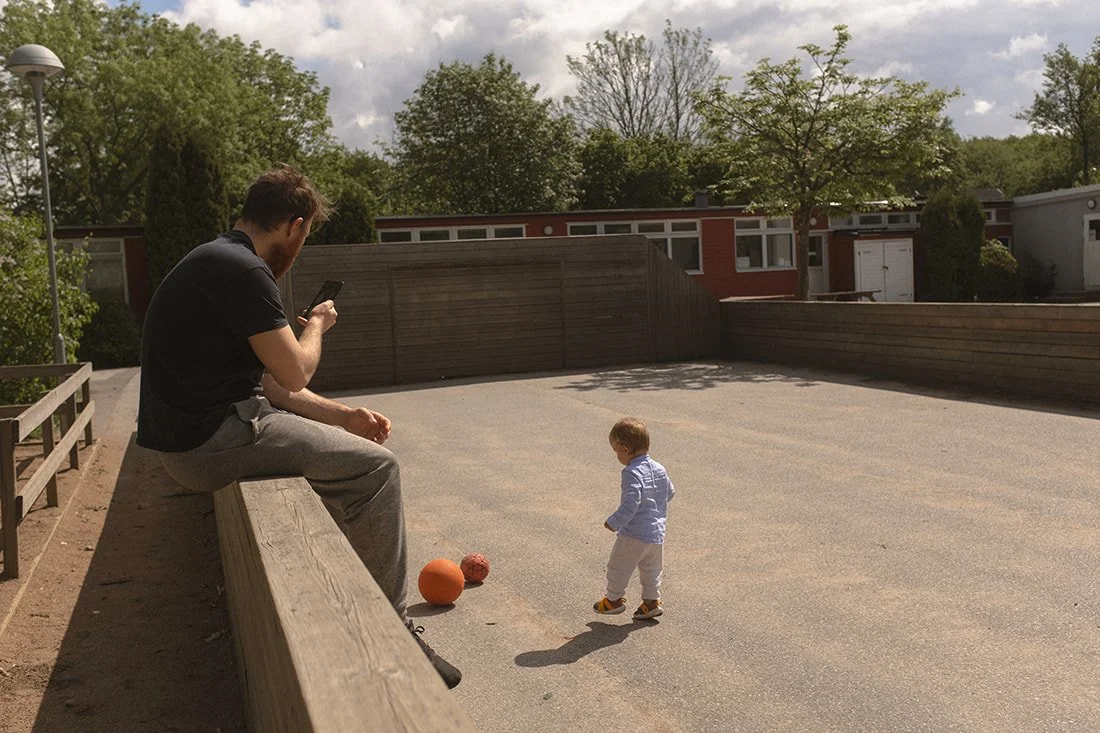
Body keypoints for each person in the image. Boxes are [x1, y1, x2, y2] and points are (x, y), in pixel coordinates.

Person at [136, 164, 460, 688]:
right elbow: (294, 371)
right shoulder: (246, 272)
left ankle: (352, 601)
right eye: (305, 235)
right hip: (209, 441)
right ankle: (394, 634)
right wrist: (317, 327)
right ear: (294, 224)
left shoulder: (217, 258)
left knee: (343, 465)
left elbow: (269, 383)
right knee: (377, 470)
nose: (300, 247)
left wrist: (342, 416)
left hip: (199, 433)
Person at [593, 417, 675, 620]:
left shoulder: (631, 472)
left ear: (625, 449)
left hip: (634, 534)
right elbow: (670, 492)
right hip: (656, 534)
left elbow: (631, 504)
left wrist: (614, 522)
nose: (617, 455)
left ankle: (613, 600)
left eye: (616, 451)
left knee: (618, 566)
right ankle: (651, 602)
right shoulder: (659, 468)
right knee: (651, 570)